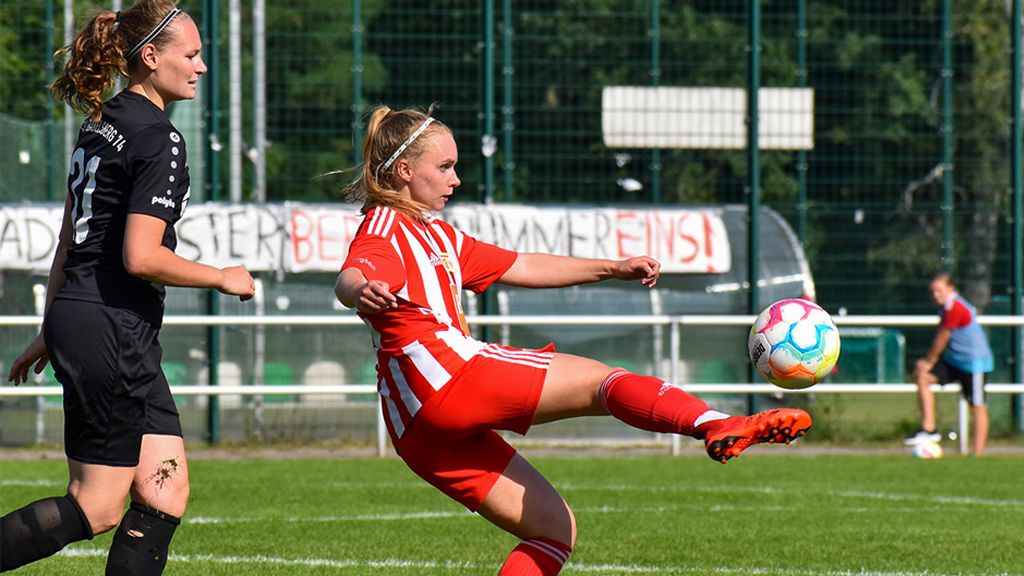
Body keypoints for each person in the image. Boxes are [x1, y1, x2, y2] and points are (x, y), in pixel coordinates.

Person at [334, 105, 814, 576]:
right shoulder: (385, 228)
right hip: (449, 377)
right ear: (403, 171)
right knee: (602, 383)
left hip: (416, 428)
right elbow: (352, 274)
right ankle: (715, 424)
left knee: (553, 531)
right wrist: (361, 290)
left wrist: (611, 268)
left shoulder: (435, 234)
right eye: (445, 167)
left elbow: (521, 265)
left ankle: (713, 424)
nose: (455, 178)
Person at [1, 1, 255, 573]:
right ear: (150, 57)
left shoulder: (101, 124)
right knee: (94, 506)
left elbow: (72, 239)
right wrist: (222, 276)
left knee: (164, 493)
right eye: (190, 55)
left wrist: (54, 326)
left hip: (97, 322)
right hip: (112, 327)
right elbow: (141, 257)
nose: (200, 67)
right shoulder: (158, 139)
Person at [904, 272, 993, 456]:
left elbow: (943, 336)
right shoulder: (945, 307)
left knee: (977, 407)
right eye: (932, 292)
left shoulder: (955, 306)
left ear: (951, 289)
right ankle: (929, 428)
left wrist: (929, 360)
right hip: (955, 361)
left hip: (974, 362)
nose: (936, 295)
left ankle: (977, 455)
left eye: (939, 290)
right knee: (923, 377)